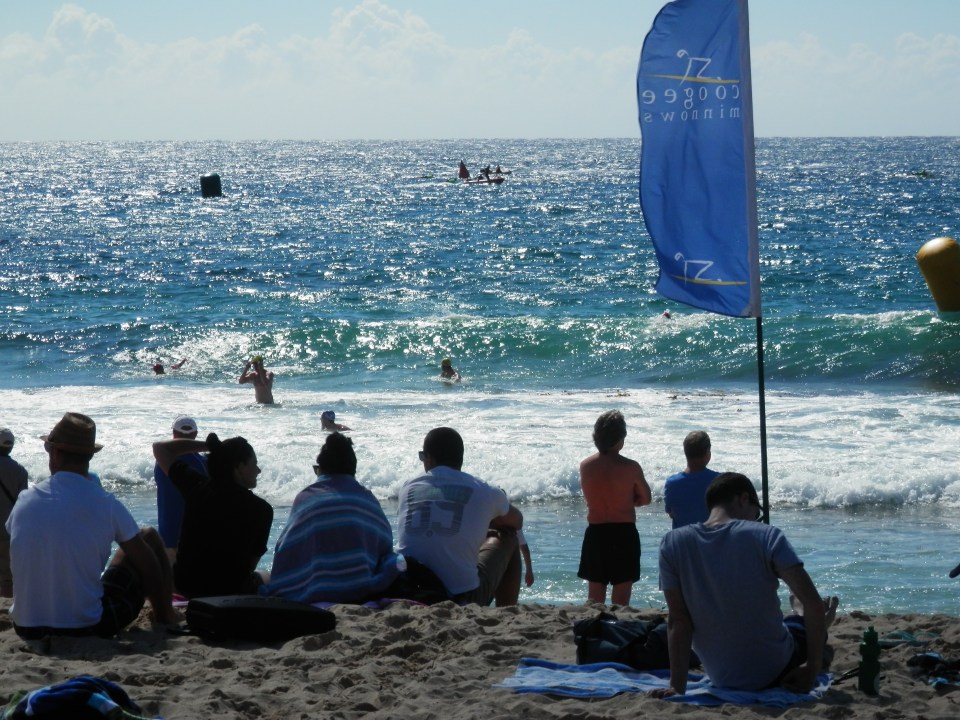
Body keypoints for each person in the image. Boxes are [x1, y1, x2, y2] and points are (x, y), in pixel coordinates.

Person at [652, 472, 839, 697]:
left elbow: (679, 620)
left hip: (721, 675)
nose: (755, 520)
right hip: (775, 670)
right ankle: (803, 615)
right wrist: (813, 667)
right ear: (743, 499)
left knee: (791, 622)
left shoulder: (672, 543)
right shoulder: (766, 536)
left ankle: (800, 614)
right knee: (802, 625)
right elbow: (813, 601)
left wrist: (676, 687)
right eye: (756, 513)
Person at [6, 413, 178, 638]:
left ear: (55, 453)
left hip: (26, 627)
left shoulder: (25, 500)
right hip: (86, 627)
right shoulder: (105, 502)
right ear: (89, 456)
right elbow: (148, 565)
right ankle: (166, 616)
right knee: (148, 538)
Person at [262, 433, 403, 604]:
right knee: (396, 561)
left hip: (309, 594)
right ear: (352, 470)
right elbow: (385, 546)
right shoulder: (367, 500)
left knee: (262, 576)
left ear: (321, 469)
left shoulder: (306, 498)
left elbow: (285, 553)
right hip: (360, 590)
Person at [397, 427, 523, 606]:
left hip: (407, 587)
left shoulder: (408, 487)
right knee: (509, 535)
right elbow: (517, 521)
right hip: (459, 597)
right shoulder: (484, 490)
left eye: (422, 456)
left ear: (430, 459)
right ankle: (506, 611)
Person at [152, 431, 273, 598]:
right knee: (266, 576)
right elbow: (250, 566)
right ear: (239, 466)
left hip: (186, 585)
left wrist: (212, 447)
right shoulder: (262, 510)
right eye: (254, 464)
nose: (258, 470)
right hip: (230, 591)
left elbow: (160, 448)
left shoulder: (196, 486)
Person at [577, 410, 651, 606]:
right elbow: (646, 498)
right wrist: (629, 501)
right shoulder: (631, 467)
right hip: (624, 532)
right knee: (621, 600)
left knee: (595, 598)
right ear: (619, 438)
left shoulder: (586, 466)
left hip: (596, 533)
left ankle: (595, 623)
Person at [153, 416, 208, 564]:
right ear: (195, 434)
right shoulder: (203, 464)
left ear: (173, 434)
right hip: (194, 540)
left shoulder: (161, 463)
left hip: (167, 537)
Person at [663, 430, 720, 529]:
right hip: (712, 537)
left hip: (682, 537)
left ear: (685, 453)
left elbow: (671, 513)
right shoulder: (719, 481)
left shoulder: (672, 483)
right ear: (708, 454)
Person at [0, 428, 29, 598]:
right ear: (11, 447)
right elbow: (22, 503)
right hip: (8, 530)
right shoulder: (20, 471)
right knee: (7, 577)